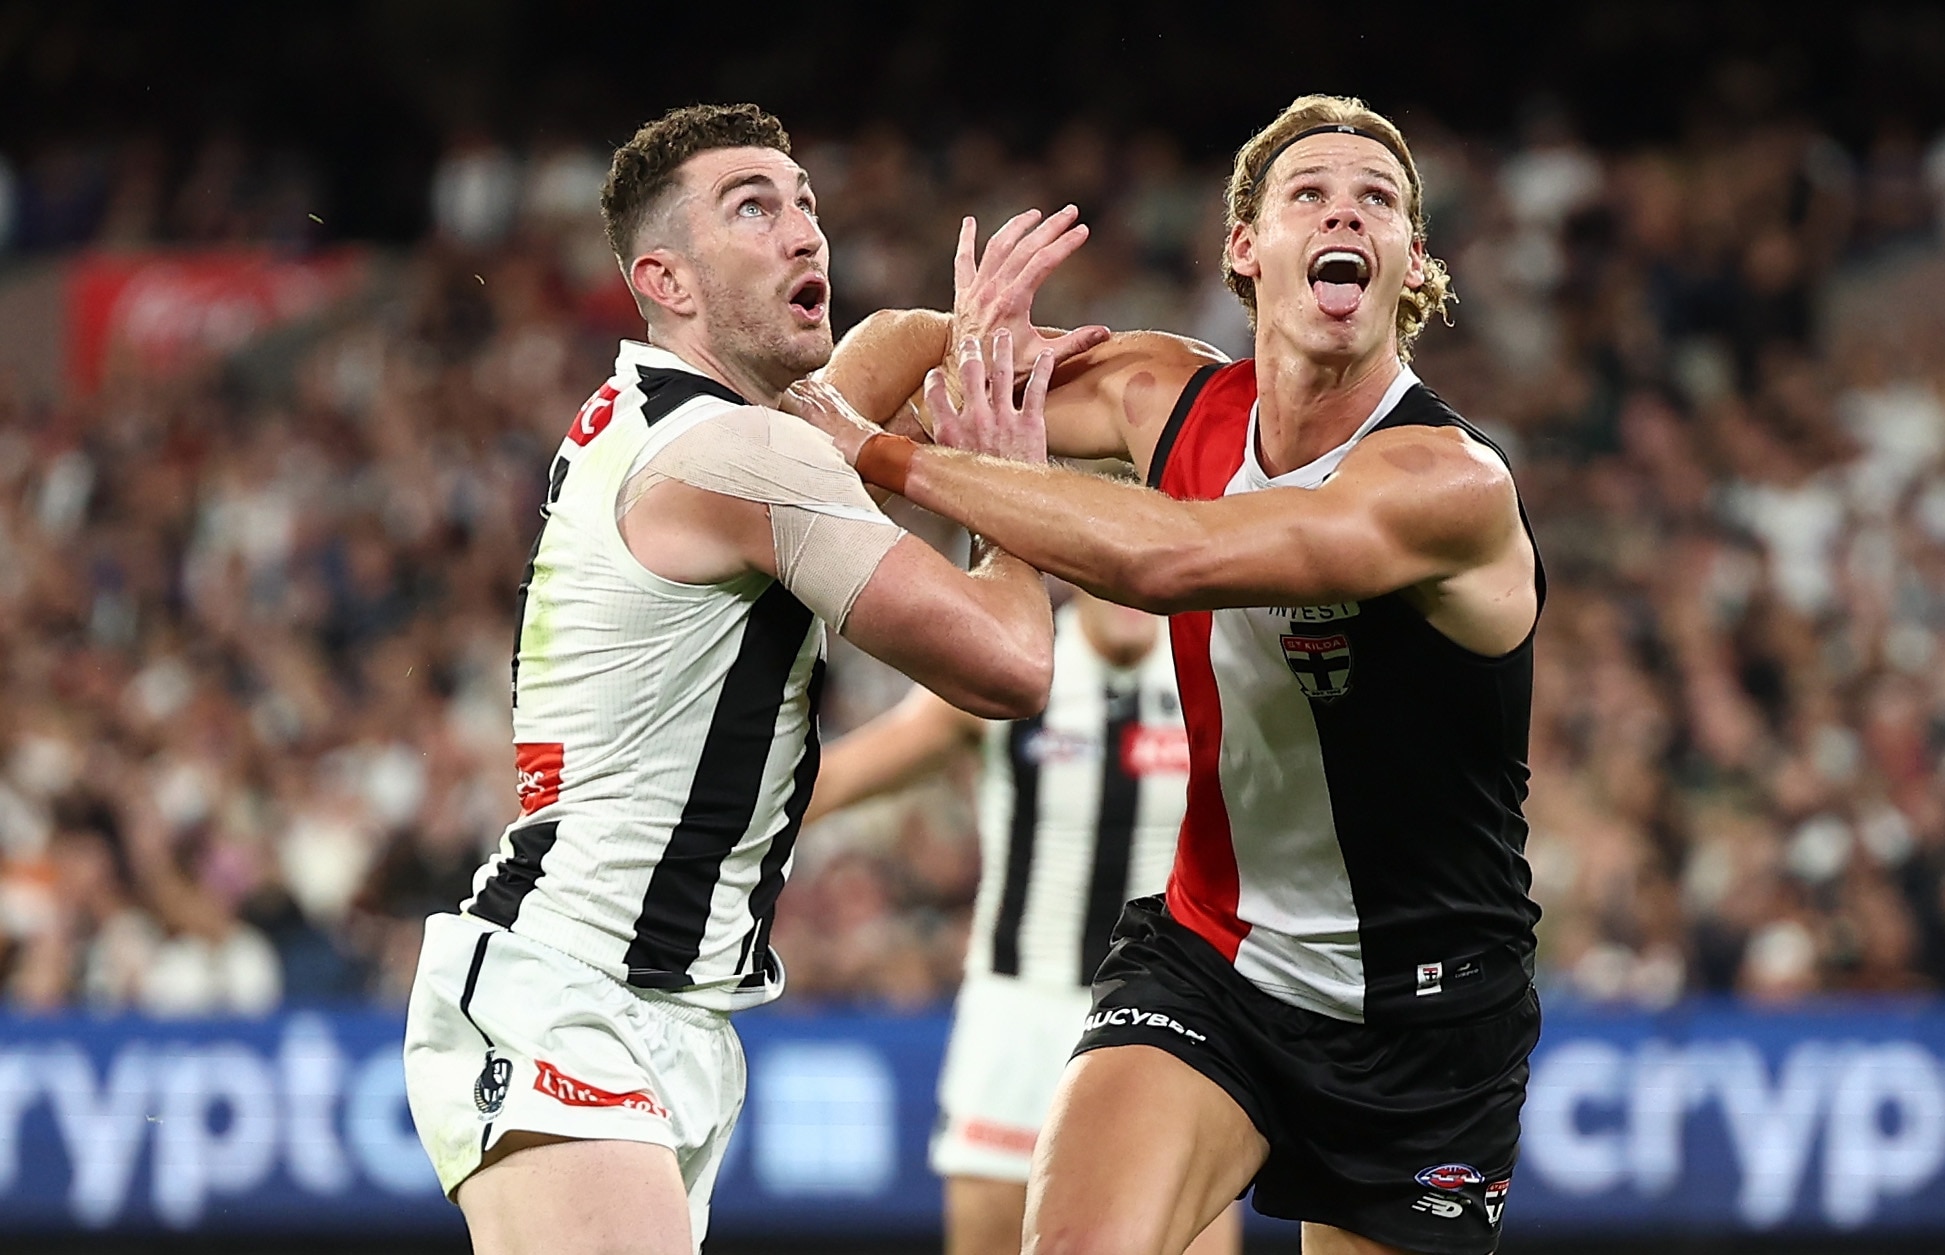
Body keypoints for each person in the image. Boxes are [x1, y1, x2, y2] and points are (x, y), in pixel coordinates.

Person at [791, 94, 1544, 1255]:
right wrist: (880, 391)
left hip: (1424, 1013)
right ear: (1248, 248)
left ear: (1409, 261)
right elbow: (891, 354)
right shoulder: (1163, 392)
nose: (1344, 209)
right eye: (1309, 193)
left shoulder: (1448, 482)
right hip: (1213, 960)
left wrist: (886, 456)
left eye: (1377, 200)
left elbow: (1175, 556)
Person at [401, 102, 1099, 1255]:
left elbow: (853, 381)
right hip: (572, 994)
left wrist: (960, 333)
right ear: (666, 280)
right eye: (754, 208)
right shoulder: (733, 456)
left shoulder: (680, 417)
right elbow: (1015, 665)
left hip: (646, 1005)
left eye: (806, 203)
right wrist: (1005, 489)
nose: (804, 232)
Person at [805, 588, 1241, 1255]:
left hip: (1173, 1017)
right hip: (1018, 1015)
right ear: (1081, 570)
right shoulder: (1017, 663)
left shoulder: (1218, 667)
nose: (1129, 590)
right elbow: (838, 778)